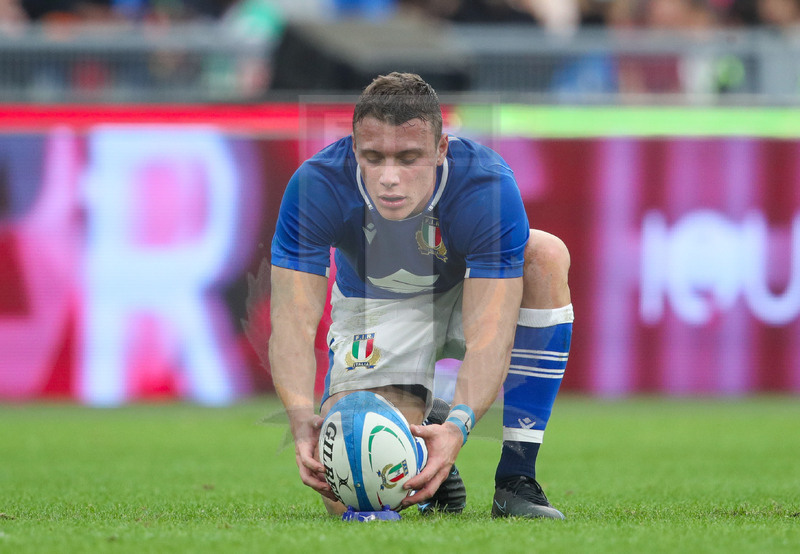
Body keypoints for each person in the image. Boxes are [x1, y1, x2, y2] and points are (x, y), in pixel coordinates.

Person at [268, 72, 573, 518]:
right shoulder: (317, 185)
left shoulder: (485, 185)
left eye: (409, 157)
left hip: (469, 291)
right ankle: (420, 428)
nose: (389, 177)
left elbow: (492, 332)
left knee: (545, 253)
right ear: (354, 149)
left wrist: (460, 426)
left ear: (441, 149)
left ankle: (515, 479)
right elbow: (292, 323)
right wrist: (299, 418)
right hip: (376, 308)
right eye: (373, 157)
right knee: (347, 486)